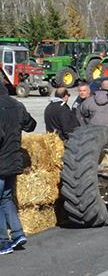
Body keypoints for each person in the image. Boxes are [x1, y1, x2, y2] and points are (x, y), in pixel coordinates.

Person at [0, 75, 37, 255]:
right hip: (14, 160)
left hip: (0, 162)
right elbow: (31, 125)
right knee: (6, 198)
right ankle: (17, 233)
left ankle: (3, 242)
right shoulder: (17, 105)